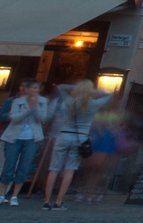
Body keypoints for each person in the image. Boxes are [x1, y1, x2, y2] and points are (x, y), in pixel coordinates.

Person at [43, 80, 111, 210]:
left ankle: (46, 202)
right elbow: (109, 94)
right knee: (70, 169)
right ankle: (58, 201)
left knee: (54, 168)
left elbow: (61, 86)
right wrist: (95, 91)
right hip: (80, 138)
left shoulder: (69, 101)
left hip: (63, 135)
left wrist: (75, 87)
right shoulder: (93, 104)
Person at [0, 79, 47, 205]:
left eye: (37, 88)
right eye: (32, 88)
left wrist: (35, 107)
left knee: (24, 166)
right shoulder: (17, 101)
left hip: (32, 137)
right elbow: (14, 118)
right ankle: (1, 194)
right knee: (9, 165)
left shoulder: (42, 101)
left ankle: (15, 196)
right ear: (26, 90)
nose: (34, 91)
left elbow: (43, 118)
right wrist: (28, 109)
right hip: (14, 137)